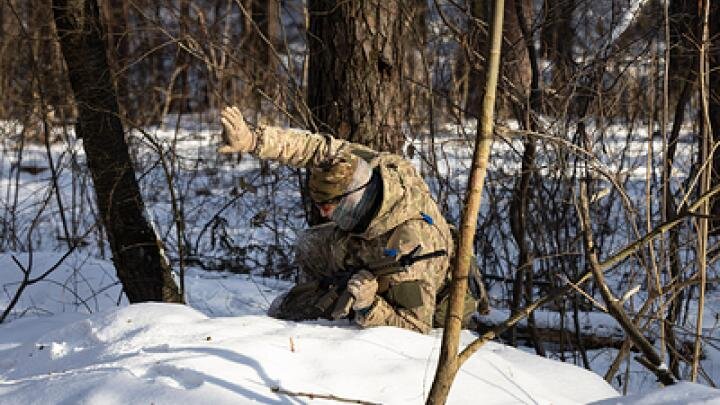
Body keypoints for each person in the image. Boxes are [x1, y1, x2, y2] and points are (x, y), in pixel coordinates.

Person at [219, 106, 476, 334]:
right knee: (311, 244)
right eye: (319, 206)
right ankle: (318, 306)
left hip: (415, 290)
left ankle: (335, 329)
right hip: (366, 243)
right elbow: (314, 148)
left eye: (330, 207)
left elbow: (415, 327)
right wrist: (253, 140)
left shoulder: (410, 244)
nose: (323, 213)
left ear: (354, 198)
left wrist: (370, 306)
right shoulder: (362, 167)